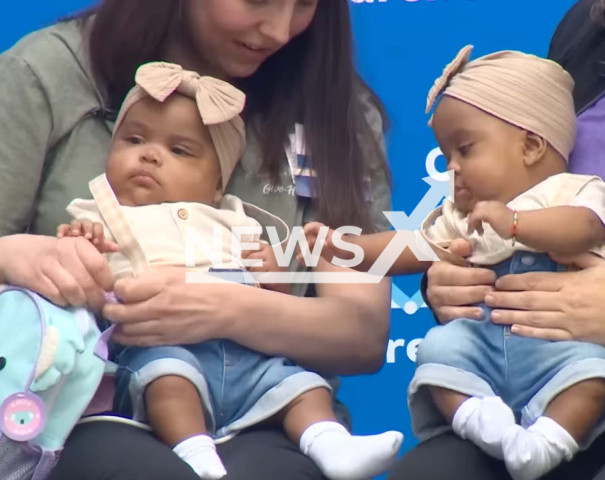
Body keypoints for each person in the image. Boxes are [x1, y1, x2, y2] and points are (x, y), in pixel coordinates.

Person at [0, 1, 393, 479]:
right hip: (81, 407)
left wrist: (225, 307)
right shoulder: (49, 72)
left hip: (266, 412)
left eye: (306, 4)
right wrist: (14, 255)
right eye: (260, 0)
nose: (280, 30)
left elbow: (361, 333)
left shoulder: (331, 108)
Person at [304, 45, 605, 479]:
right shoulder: (459, 218)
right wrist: (345, 249)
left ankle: (547, 442)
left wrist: (515, 223)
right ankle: (481, 419)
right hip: (482, 346)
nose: (452, 170)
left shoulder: (573, 192)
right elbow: (413, 248)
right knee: (439, 353)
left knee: (595, 373)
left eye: (465, 151)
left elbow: (583, 230)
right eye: (445, 157)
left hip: (557, 347)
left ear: (531, 145)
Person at [388, 1, 605, 479]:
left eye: (464, 151)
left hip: (591, 366)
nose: (454, 168)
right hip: (517, 358)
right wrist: (451, 281)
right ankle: (490, 422)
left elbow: (577, 220)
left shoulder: (581, 197)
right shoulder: (587, 28)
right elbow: (438, 239)